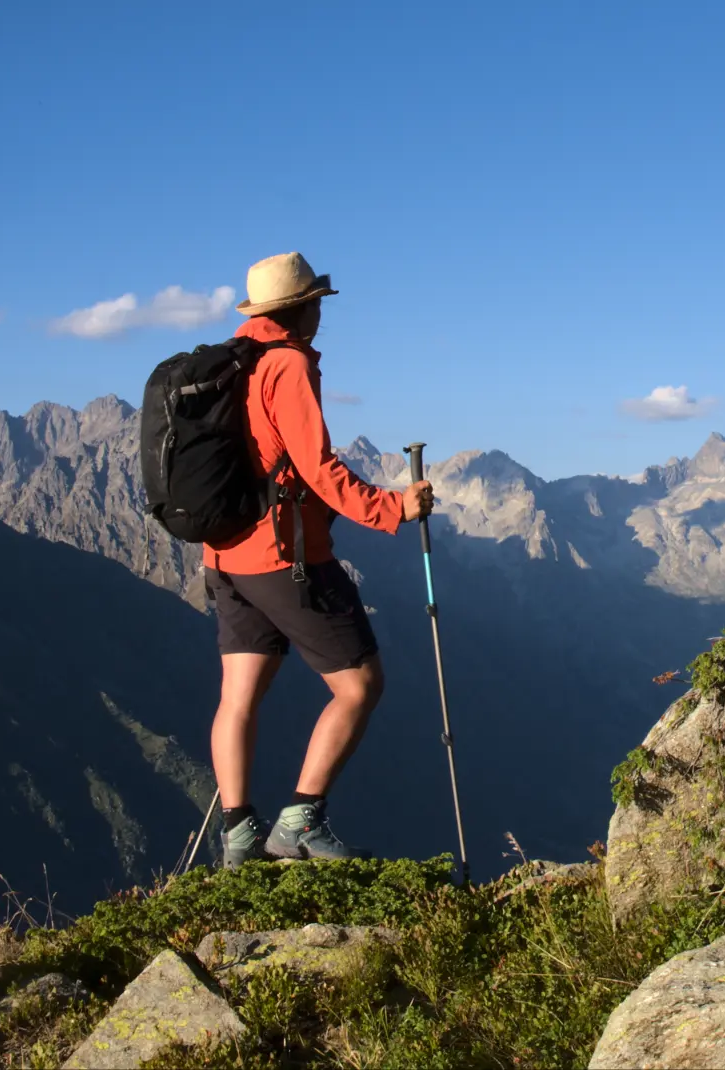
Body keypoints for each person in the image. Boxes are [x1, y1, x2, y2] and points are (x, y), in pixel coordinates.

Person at [204, 251, 434, 867]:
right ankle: (300, 823)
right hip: (285, 557)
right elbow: (316, 466)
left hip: (223, 557)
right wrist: (392, 508)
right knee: (360, 685)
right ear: (303, 307)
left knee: (239, 695)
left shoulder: (231, 361)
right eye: (315, 305)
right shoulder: (286, 364)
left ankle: (238, 837)